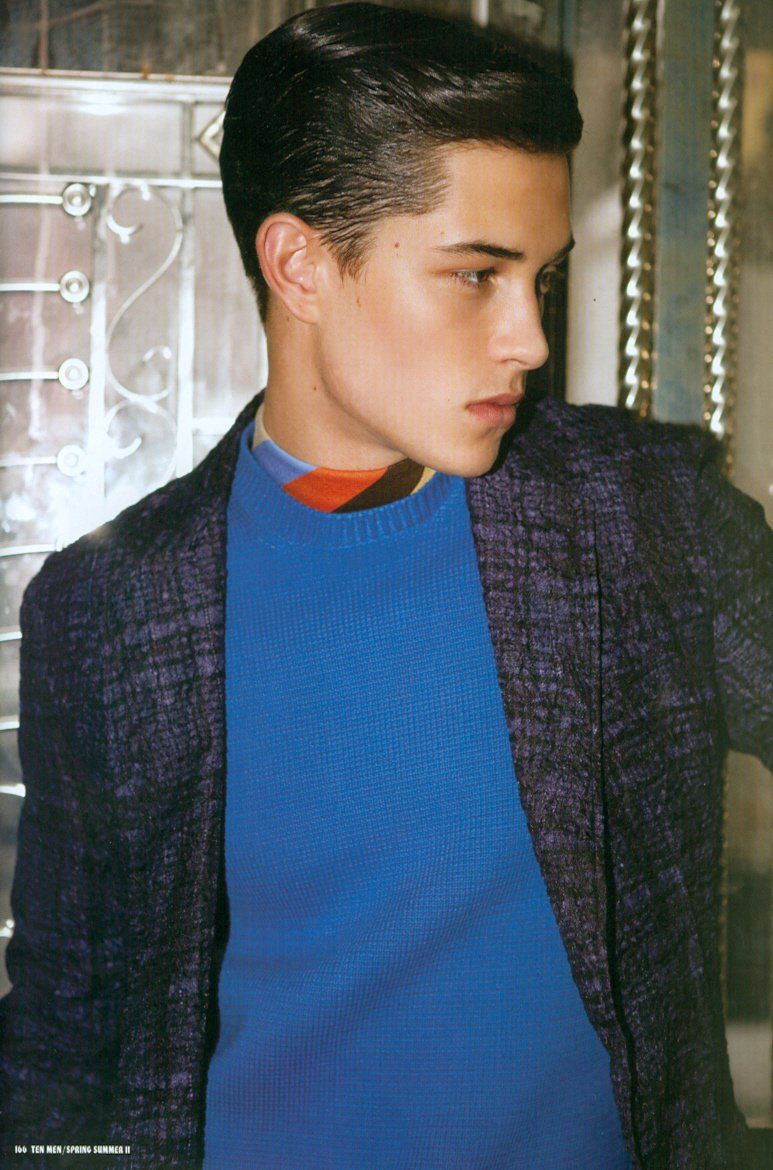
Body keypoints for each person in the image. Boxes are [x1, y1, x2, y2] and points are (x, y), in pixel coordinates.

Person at [1, 3, 770, 1168]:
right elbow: (63, 1039)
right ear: (300, 265)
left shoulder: (639, 513)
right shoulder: (109, 608)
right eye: (475, 276)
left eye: (539, 279)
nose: (527, 340)